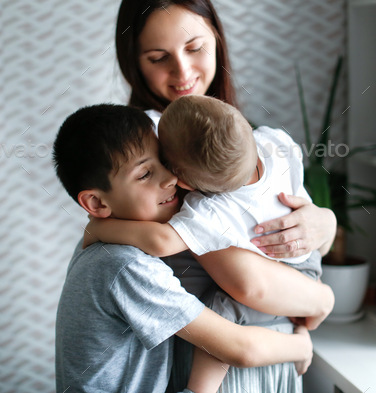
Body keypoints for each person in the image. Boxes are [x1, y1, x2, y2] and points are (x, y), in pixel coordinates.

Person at [113, 1, 337, 391]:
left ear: (217, 41)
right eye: (158, 57)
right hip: (230, 351)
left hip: (271, 346)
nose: (182, 72)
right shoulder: (156, 151)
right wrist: (323, 299)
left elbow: (307, 238)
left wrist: (324, 222)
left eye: (194, 48)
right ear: (133, 61)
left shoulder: (241, 140)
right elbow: (250, 284)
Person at [53, 103, 327, 392]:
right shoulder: (125, 265)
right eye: (145, 174)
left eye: (165, 162)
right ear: (96, 204)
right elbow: (240, 348)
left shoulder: (111, 254)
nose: (171, 177)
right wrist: (300, 346)